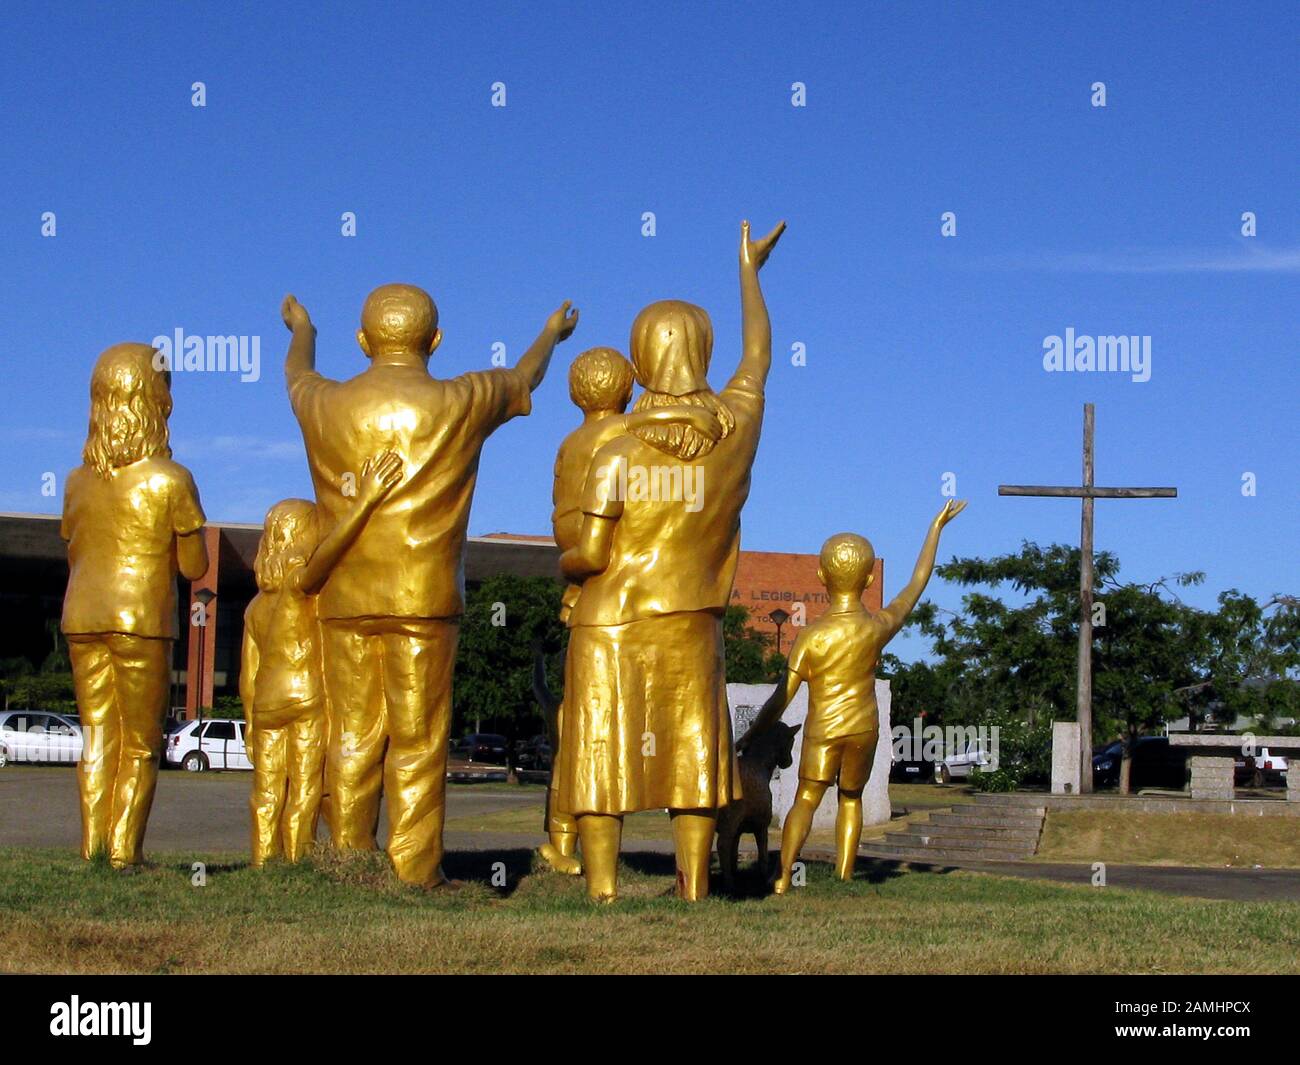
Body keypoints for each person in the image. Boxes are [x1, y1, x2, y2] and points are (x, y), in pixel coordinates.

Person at [282, 285, 577, 887]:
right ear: (435, 340)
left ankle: (350, 855)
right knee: (418, 739)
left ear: (363, 342)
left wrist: (303, 328)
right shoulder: (462, 397)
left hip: (344, 598)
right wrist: (550, 332)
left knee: (353, 734)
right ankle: (414, 868)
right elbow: (526, 378)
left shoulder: (323, 403)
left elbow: (297, 371)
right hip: (425, 599)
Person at [558, 220, 785, 902]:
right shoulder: (732, 436)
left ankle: (602, 890)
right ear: (702, 352)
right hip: (690, 622)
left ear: (639, 358)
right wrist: (749, 272)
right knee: (692, 754)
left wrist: (566, 561)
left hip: (610, 622)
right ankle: (692, 889)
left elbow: (590, 552)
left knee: (602, 754)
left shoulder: (616, 453)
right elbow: (759, 360)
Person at [540, 347, 721, 875]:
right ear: (630, 384)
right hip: (677, 605)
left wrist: (568, 573)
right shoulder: (672, 440)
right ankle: (694, 883)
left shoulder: (589, 447)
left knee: (590, 733)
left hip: (602, 594)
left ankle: (581, 860)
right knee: (688, 743)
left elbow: (575, 534)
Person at [740, 502, 966, 893]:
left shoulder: (810, 637)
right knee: (851, 799)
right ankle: (845, 876)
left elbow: (780, 698)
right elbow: (916, 584)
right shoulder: (876, 626)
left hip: (823, 729)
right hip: (863, 728)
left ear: (821, 576)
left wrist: (750, 735)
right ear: (868, 578)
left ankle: (782, 876)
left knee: (806, 799)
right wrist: (935, 529)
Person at [61, 343, 208, 869]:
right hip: (140, 621)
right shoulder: (172, 479)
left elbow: (73, 545)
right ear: (156, 400)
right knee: (142, 742)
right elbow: (193, 567)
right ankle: (125, 851)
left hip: (82, 617)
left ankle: (92, 848)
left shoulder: (77, 483)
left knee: (97, 736)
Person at [241, 452, 403, 866]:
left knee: (267, 790)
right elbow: (330, 554)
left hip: (266, 704)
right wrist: (365, 501)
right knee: (306, 787)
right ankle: (297, 860)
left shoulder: (255, 607)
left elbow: (248, 674)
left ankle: (262, 861)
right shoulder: (301, 588)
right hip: (306, 700)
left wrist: (249, 722)